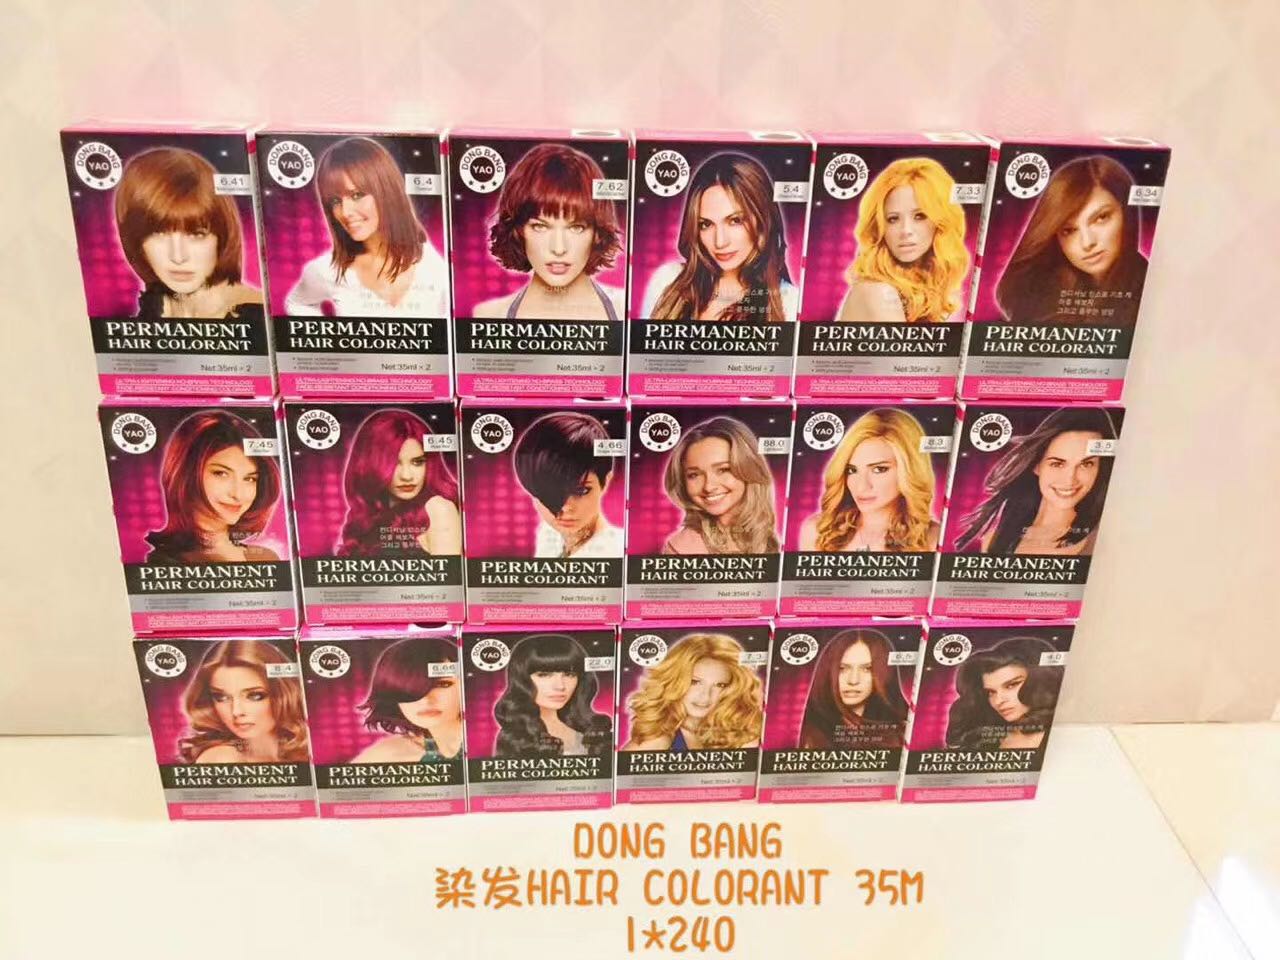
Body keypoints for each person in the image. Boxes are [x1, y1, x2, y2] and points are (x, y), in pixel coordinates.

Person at [285, 137, 448, 317]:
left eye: (356, 195)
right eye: (335, 201)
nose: (345, 212)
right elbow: (296, 304)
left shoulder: (432, 261)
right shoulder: (326, 270)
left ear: (386, 191)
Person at [473, 143, 623, 321]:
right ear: (518, 231)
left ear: (596, 234)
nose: (559, 249)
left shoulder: (626, 309)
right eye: (540, 227)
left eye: (576, 228)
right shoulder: (489, 315)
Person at [642, 152, 797, 323]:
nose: (720, 242)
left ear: (764, 220)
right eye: (706, 224)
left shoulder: (788, 301)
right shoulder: (668, 280)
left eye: (735, 220)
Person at [996, 154, 1147, 326]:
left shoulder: (1150, 292)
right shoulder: (1043, 297)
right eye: (1069, 230)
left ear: (1127, 213)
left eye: (1101, 217)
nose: (1087, 242)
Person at [114, 147, 262, 320]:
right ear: (136, 241)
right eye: (159, 234)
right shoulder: (153, 309)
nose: (178, 257)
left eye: (196, 235)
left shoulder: (255, 315)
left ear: (222, 236)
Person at [955, 407, 1118, 556]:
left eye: (1086, 464)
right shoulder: (995, 540)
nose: (1070, 479)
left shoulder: (1103, 540)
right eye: (1057, 463)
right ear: (1037, 465)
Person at [836, 157, 970, 324]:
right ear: (879, 228)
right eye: (893, 219)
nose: (906, 231)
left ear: (940, 223)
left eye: (919, 216)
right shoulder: (879, 293)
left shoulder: (921, 288)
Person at [145, 410, 282, 564]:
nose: (238, 494)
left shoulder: (265, 557)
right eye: (221, 473)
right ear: (185, 474)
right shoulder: (166, 562)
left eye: (249, 478)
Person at [798, 408, 939, 552]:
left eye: (879, 469)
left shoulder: (934, 539)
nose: (861, 487)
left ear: (910, 470)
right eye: (852, 470)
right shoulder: (817, 532)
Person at [337, 409, 460, 557]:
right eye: (395, 463)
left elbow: (450, 571)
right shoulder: (368, 516)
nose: (407, 476)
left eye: (417, 462)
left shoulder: (438, 508)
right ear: (371, 464)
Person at [622, 633, 763, 752]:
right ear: (674, 681)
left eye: (719, 685)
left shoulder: (728, 735)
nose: (705, 695)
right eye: (695, 682)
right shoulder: (657, 741)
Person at [662, 416, 779, 556]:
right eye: (694, 475)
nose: (708, 487)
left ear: (749, 468)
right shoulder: (681, 549)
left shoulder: (773, 531)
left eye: (723, 470)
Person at [513, 411, 622, 558]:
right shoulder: (548, 537)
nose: (565, 507)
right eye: (549, 491)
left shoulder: (616, 551)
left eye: (581, 490)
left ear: (606, 481)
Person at [179, 640, 309, 764]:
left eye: (254, 696)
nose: (236, 711)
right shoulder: (222, 758)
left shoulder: (304, 750)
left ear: (284, 695)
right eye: (221, 697)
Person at [494, 634, 612, 757]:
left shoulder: (592, 731)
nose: (560, 686)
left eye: (569, 674)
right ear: (521, 679)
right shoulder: (517, 737)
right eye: (544, 675)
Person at [351, 636, 463, 763]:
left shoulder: (478, 741)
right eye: (410, 688)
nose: (425, 699)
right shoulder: (392, 752)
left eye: (442, 684)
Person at [946, 636, 1063, 751]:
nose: (998, 701)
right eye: (991, 692)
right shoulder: (983, 737)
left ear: (1042, 680)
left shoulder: (1062, 733)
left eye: (1011, 685)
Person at [799, 629, 909, 750]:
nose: (853, 680)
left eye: (867, 669)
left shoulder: (902, 730)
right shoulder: (808, 734)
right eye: (842, 668)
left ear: (884, 672)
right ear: (827, 671)